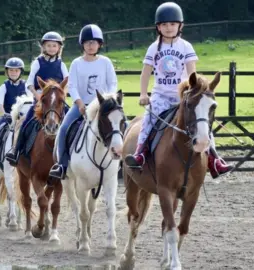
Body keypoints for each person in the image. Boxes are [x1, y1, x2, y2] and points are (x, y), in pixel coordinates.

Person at [123, 2, 233, 179]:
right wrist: (143, 94)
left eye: (172, 24)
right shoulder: (153, 48)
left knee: (203, 124)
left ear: (180, 26)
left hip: (182, 97)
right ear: (158, 27)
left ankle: (214, 158)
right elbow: (145, 74)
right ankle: (140, 153)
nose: (168, 28)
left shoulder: (186, 47)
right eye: (164, 25)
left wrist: (196, 91)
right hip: (160, 96)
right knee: (148, 122)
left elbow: (192, 73)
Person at [48, 24, 118, 180]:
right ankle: (62, 165)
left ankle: (123, 158)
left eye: (94, 42)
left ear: (100, 44)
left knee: (121, 125)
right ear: (82, 45)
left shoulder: (105, 62)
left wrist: (108, 99)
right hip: (82, 105)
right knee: (64, 128)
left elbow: (113, 83)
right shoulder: (76, 63)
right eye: (87, 42)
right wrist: (79, 103)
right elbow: (72, 86)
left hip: (103, 106)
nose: (91, 45)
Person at [5, 31, 69, 166]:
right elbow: (29, 83)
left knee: (71, 123)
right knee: (26, 123)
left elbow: (67, 82)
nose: (51, 48)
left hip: (57, 100)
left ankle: (69, 155)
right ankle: (15, 151)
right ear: (43, 47)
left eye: (54, 46)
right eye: (49, 45)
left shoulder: (61, 64)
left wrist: (62, 96)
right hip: (40, 100)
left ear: (59, 48)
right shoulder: (37, 63)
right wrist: (38, 96)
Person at [0, 57, 31, 170]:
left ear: (21, 72)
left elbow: (30, 101)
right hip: (8, 116)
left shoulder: (26, 86)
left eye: (16, 70)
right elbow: (0, 104)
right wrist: (4, 114)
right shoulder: (3, 87)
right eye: (11, 70)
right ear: (7, 72)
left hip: (23, 117)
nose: (13, 73)